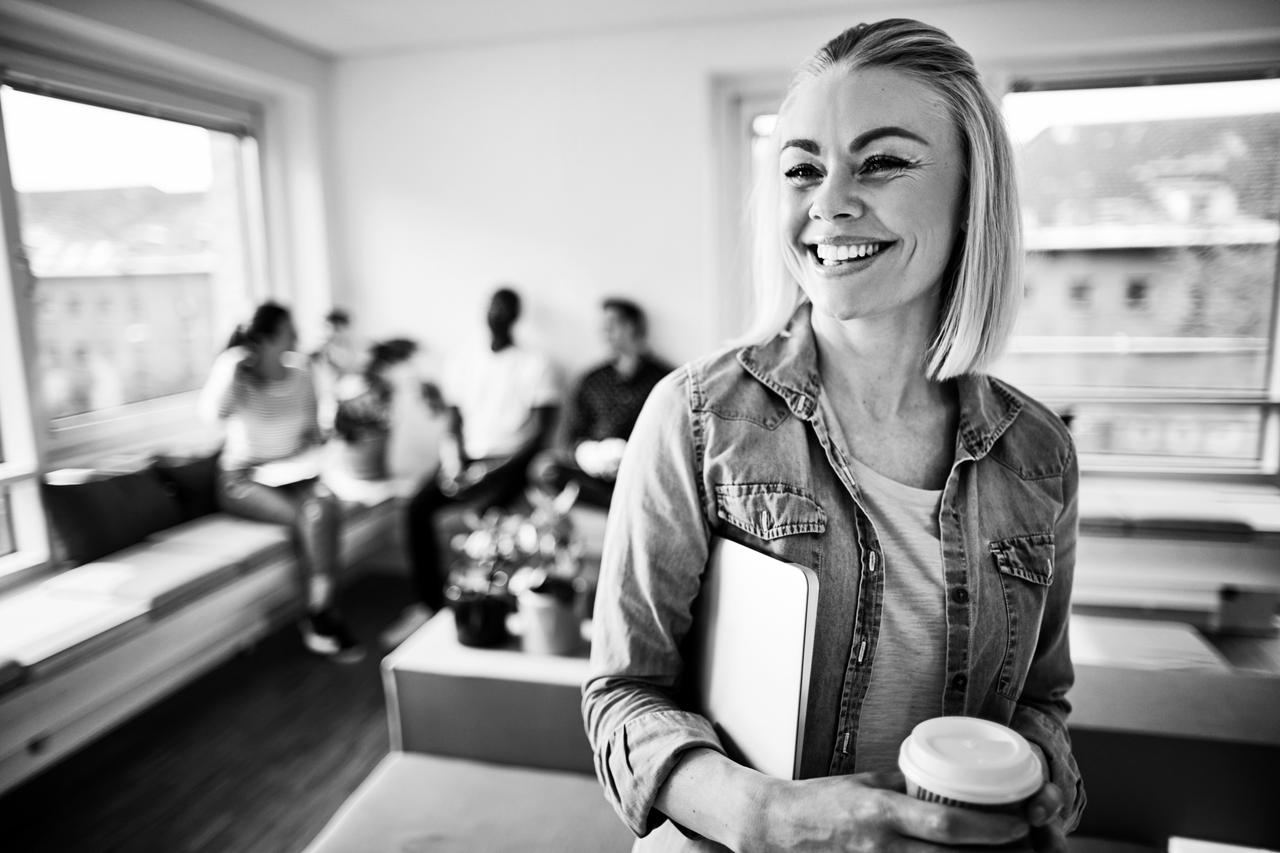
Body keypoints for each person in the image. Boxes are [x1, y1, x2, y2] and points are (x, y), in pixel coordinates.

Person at [582, 18, 1083, 852]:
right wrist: (765, 815)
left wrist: (1043, 769)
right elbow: (622, 697)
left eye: (882, 162)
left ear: (972, 198)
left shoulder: (1039, 455)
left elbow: (1040, 700)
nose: (830, 202)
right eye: (803, 168)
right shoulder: (697, 418)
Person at [201, 301, 363, 663]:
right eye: (289, 330)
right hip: (242, 480)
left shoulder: (302, 375)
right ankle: (322, 618)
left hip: (293, 472)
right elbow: (212, 416)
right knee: (305, 520)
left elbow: (309, 431)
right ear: (269, 338)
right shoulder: (238, 377)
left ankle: (320, 610)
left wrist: (322, 438)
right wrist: (230, 366)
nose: (297, 336)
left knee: (324, 509)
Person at [400, 288, 558, 619]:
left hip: (511, 462)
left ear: (515, 317)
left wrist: (490, 473)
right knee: (417, 508)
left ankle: (493, 607)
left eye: (504, 310)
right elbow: (453, 422)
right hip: (466, 456)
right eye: (492, 308)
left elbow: (539, 434)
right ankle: (431, 605)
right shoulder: (464, 359)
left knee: (486, 517)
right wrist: (452, 462)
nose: (496, 315)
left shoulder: (536, 364)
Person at [530, 298, 672, 509]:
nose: (604, 331)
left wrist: (629, 455)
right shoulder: (591, 380)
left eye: (611, 325)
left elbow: (672, 439)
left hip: (641, 471)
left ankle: (628, 502)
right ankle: (621, 505)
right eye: (603, 326)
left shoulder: (665, 381)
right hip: (594, 474)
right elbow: (567, 438)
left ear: (632, 326)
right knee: (544, 469)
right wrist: (588, 454)